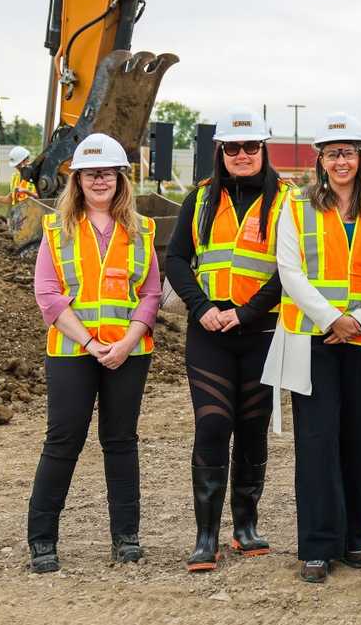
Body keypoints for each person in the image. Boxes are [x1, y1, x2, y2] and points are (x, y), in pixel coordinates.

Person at [262, 112, 361, 583]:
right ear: (320, 159)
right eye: (333, 153)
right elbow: (291, 271)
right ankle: (318, 546)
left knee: (359, 441)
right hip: (313, 338)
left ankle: (353, 540)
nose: (342, 161)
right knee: (317, 443)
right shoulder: (296, 207)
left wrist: (358, 320)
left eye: (350, 152)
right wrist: (333, 319)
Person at [26, 134, 160, 573]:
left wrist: (125, 343)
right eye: (91, 174)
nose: (99, 180)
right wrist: (89, 341)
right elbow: (47, 295)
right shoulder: (56, 229)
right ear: (77, 180)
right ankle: (42, 541)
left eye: (107, 173)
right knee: (63, 441)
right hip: (72, 352)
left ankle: (127, 537)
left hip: (128, 352)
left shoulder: (141, 230)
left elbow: (151, 294)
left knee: (120, 442)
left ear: (120, 179)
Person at [163, 110, 286, 573]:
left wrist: (247, 312)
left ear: (263, 149)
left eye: (250, 147)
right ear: (220, 152)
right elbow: (176, 259)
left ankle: (245, 526)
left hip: (262, 330)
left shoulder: (286, 200)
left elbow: (291, 268)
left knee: (253, 427)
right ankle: (206, 535)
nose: (241, 155)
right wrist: (202, 308)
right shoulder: (200, 199)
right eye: (232, 148)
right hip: (210, 331)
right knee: (213, 425)